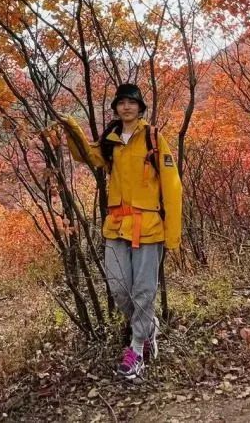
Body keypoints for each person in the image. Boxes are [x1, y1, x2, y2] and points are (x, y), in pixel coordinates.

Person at [58, 83, 183, 380]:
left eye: (132, 103)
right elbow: (88, 157)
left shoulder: (154, 138)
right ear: (116, 108)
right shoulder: (111, 141)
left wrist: (173, 234)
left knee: (143, 290)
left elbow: (172, 186)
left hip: (149, 227)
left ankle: (137, 349)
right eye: (121, 103)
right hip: (116, 226)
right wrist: (70, 127)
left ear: (140, 107)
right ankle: (148, 325)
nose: (126, 107)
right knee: (118, 288)